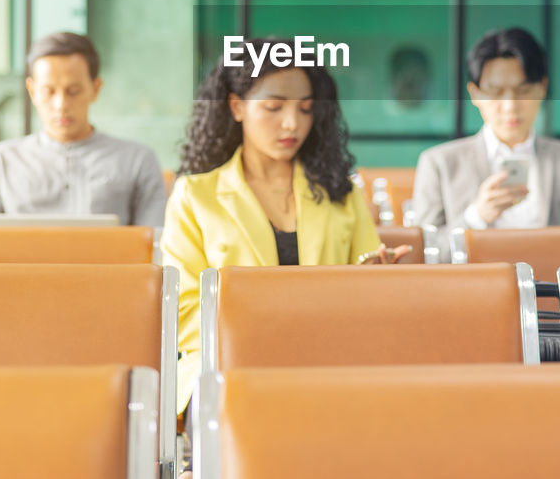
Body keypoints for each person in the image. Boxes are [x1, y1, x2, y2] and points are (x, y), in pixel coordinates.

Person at [161, 39, 410, 415]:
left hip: (328, 358)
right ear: (237, 106)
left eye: (305, 109)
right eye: (274, 107)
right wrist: (266, 341)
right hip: (225, 363)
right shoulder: (196, 195)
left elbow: (364, 283)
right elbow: (185, 308)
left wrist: (374, 279)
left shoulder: (340, 193)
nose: (292, 123)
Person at [412, 26, 560, 256]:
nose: (511, 106)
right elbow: (425, 254)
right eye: (496, 92)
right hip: (474, 290)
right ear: (475, 94)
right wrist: (476, 216)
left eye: (524, 90)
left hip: (553, 290)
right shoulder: (439, 164)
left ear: (542, 88)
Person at [0, 32, 167, 226]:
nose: (61, 105)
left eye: (74, 91)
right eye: (48, 91)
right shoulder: (0, 162)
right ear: (32, 91)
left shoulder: (137, 161)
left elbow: (156, 246)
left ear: (95, 89)